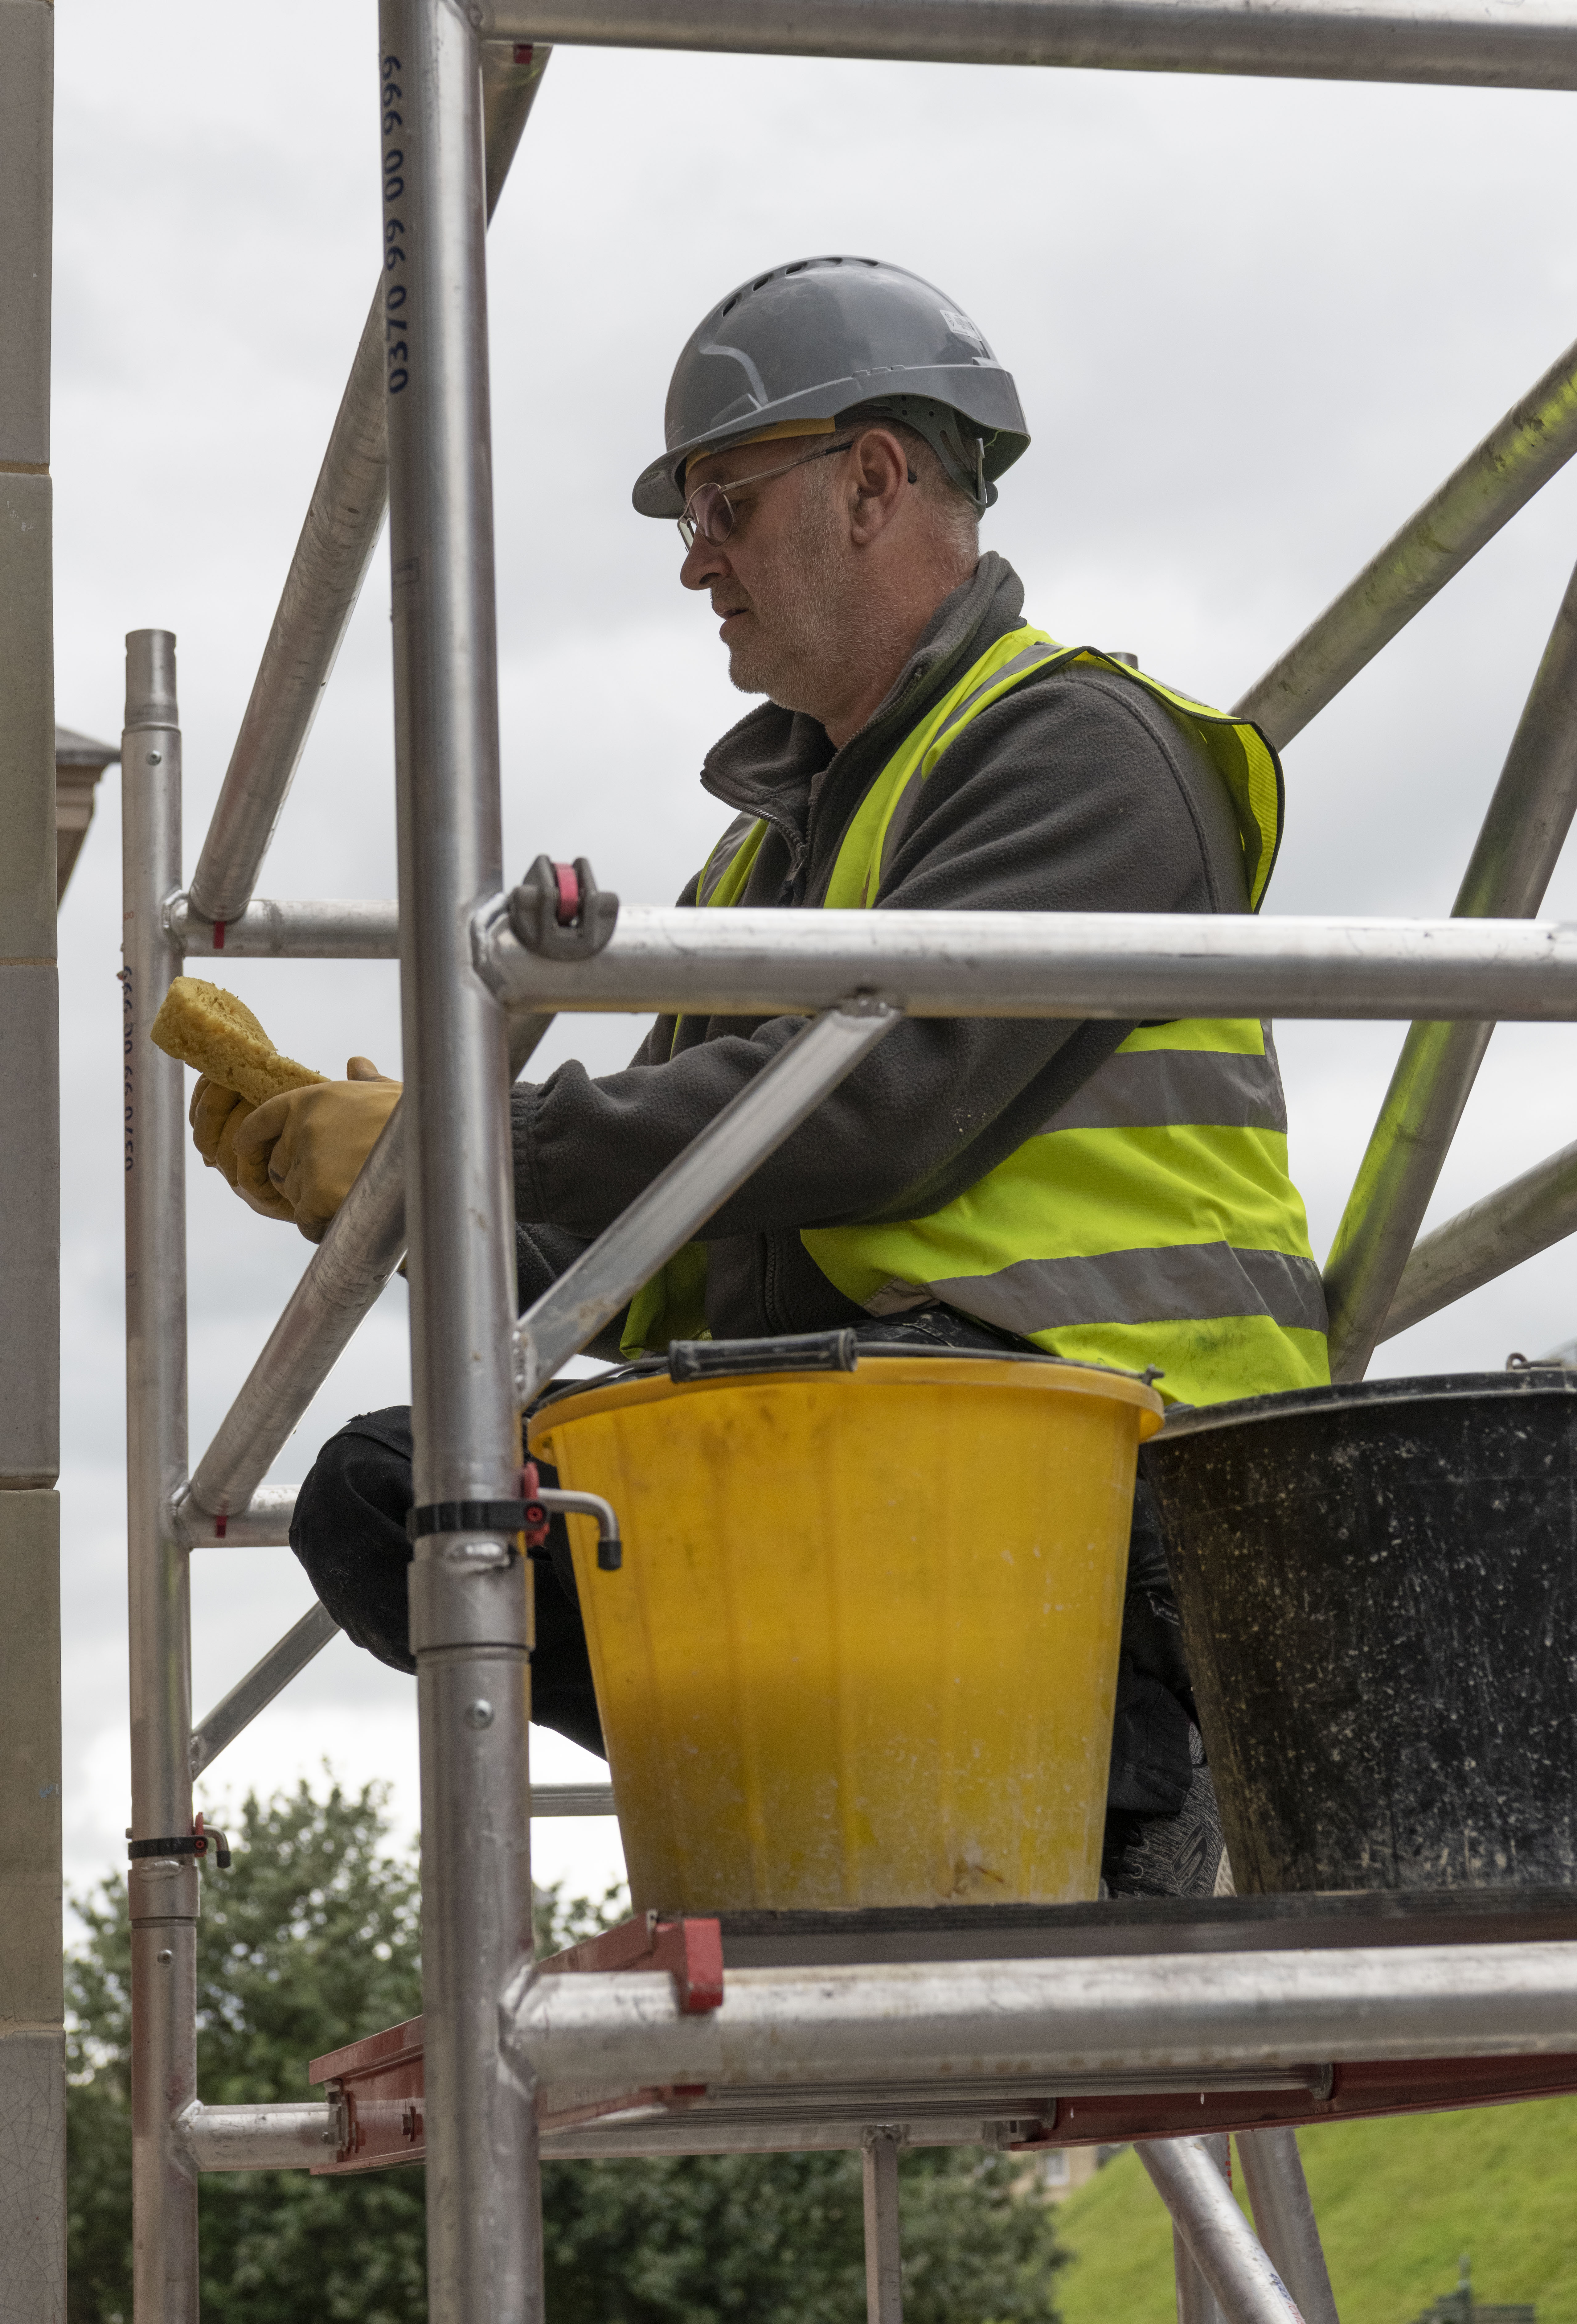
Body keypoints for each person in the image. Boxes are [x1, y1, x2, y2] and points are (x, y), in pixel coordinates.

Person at [191, 256, 1329, 1897]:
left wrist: (461, 1140)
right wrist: (374, 1184)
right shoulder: (763, 869)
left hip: (1106, 1496)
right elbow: (615, 1249)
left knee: (536, 1478)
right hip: (857, 1462)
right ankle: (829, 1792)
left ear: (876, 482)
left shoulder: (1081, 752)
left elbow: (882, 1112)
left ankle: (1085, 1798)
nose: (694, 563)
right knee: (394, 1498)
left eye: (724, 501)